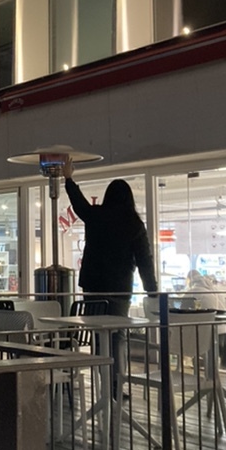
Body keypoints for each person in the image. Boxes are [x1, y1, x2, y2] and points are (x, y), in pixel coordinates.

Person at [63, 159, 158, 395]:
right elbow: (145, 259)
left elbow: (79, 205)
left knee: (98, 335)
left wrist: (68, 179)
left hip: (93, 288)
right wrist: (152, 290)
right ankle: (115, 384)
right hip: (119, 289)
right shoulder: (134, 223)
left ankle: (103, 383)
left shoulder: (97, 216)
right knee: (117, 337)